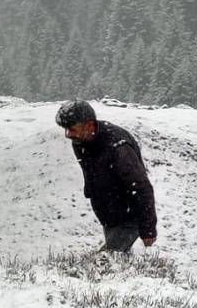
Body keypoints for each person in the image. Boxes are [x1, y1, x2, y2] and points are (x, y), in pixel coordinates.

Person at [56, 100, 158, 252]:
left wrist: (148, 228)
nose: (68, 135)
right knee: (119, 264)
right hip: (109, 215)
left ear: (89, 125)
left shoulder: (118, 146)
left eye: (72, 129)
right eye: (66, 129)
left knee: (104, 261)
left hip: (130, 217)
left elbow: (141, 187)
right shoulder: (80, 141)